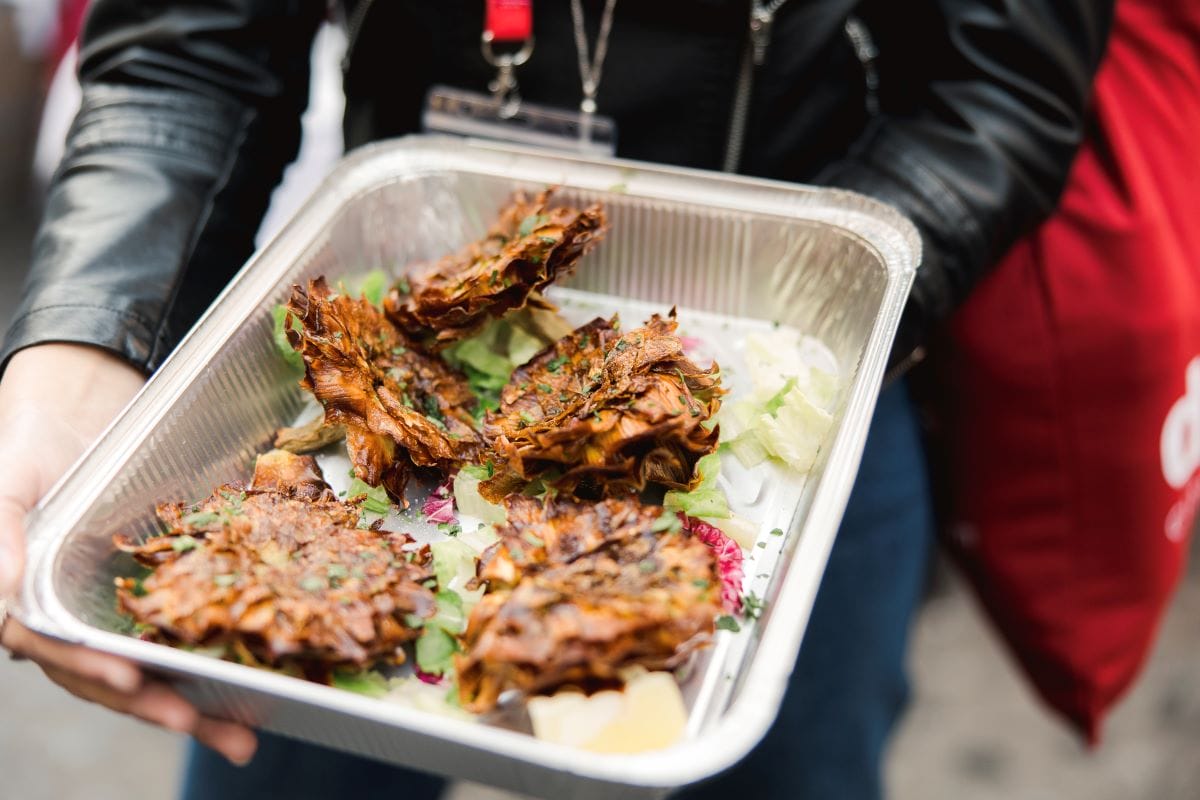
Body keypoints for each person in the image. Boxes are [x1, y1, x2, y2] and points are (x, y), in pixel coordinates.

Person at [0, 2, 1113, 798]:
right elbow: (190, 48)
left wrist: (819, 299)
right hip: (379, 388)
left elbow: (1000, 90)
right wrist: (88, 336)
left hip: (791, 383)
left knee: (792, 766)